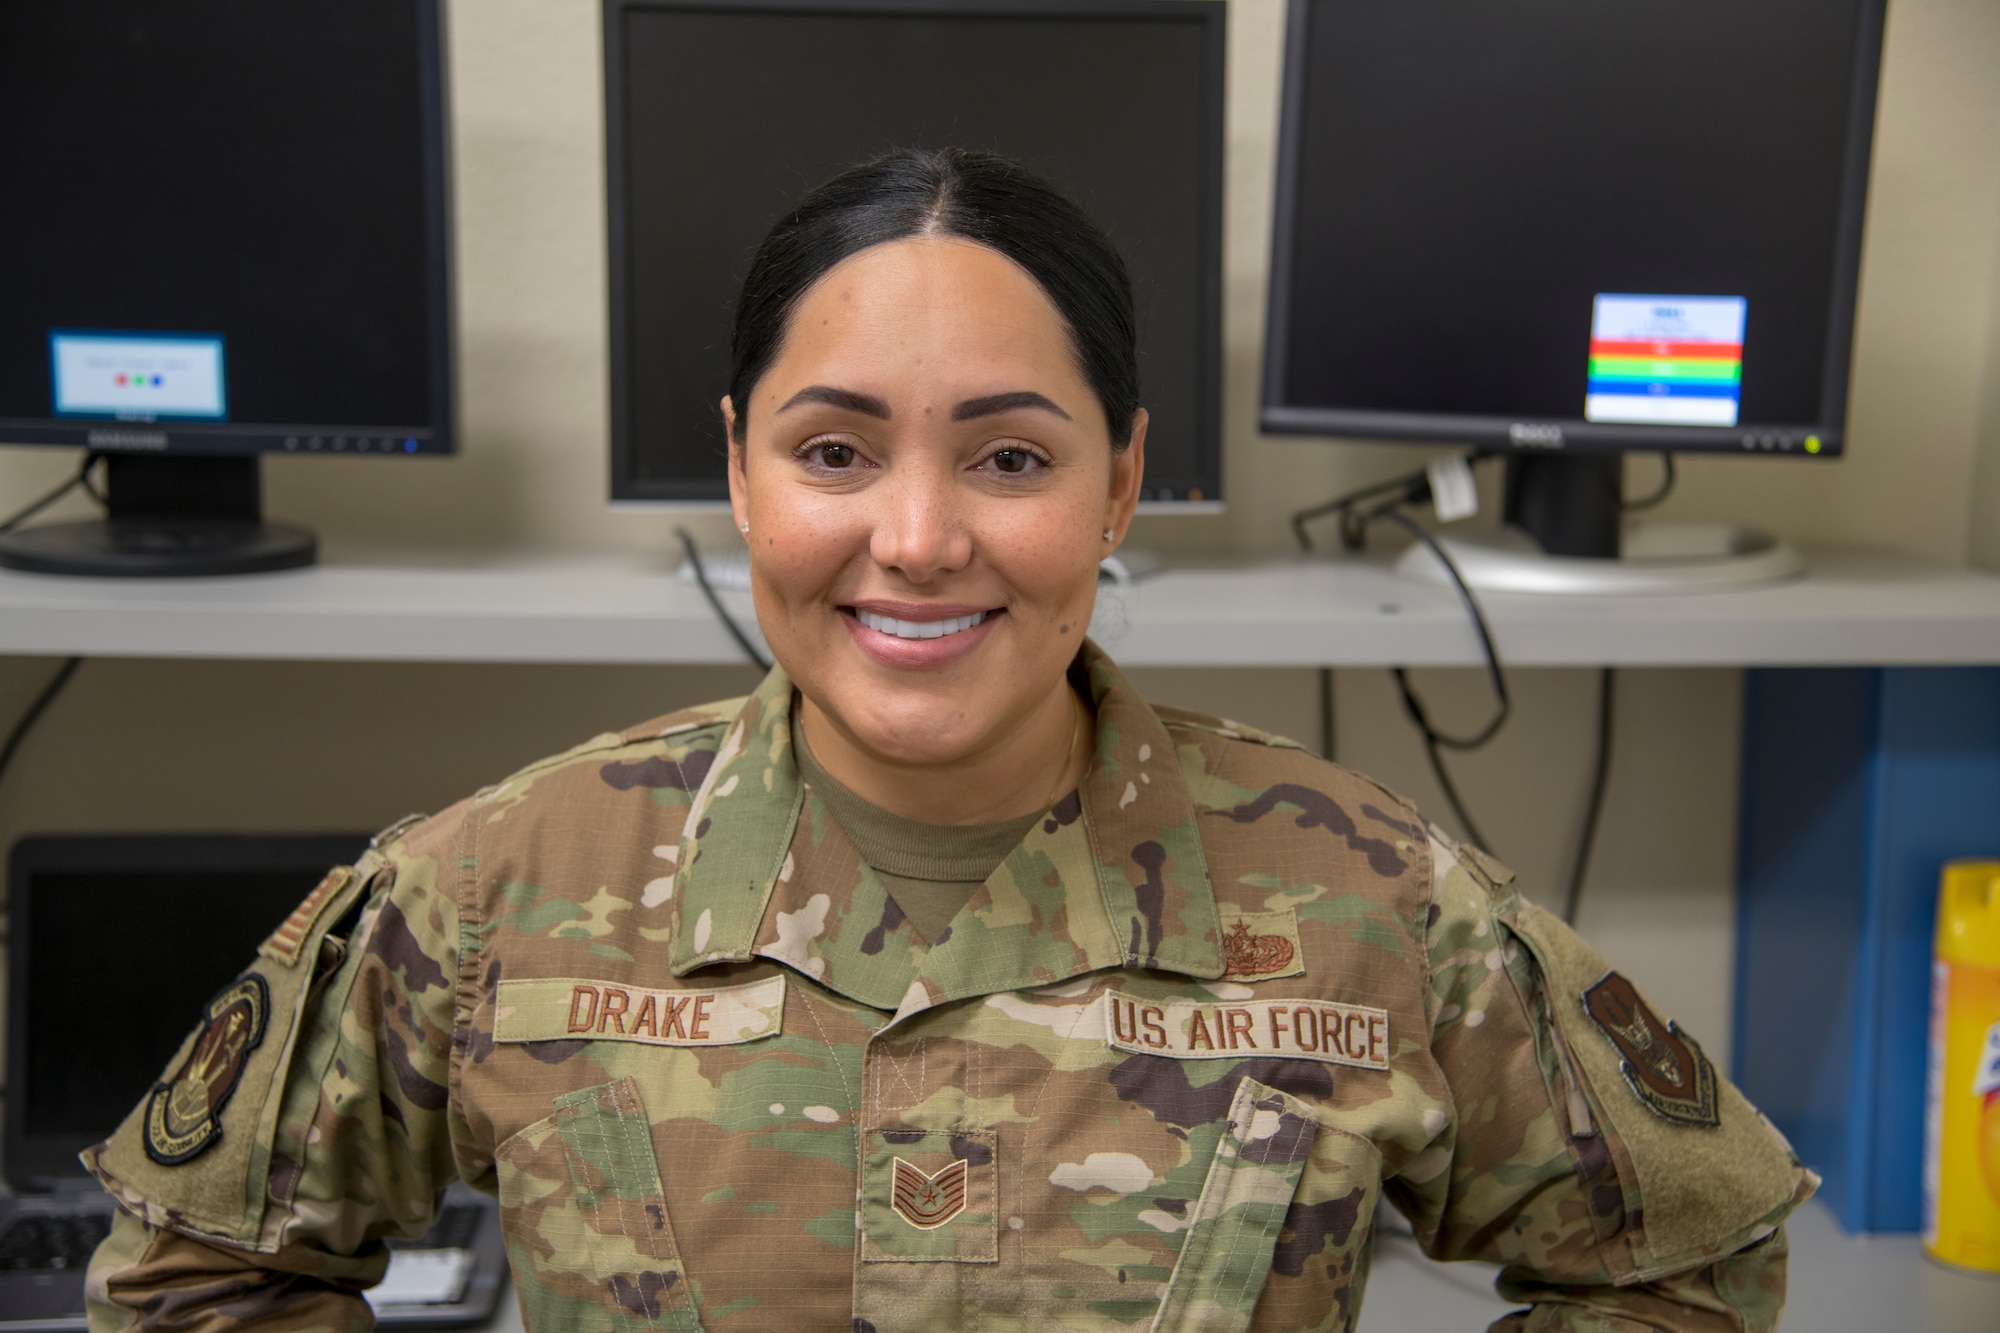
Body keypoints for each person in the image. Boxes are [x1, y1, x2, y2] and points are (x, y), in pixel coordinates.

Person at [84, 149, 1811, 1332]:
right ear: (740, 467)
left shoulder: (1370, 900)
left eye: (1010, 458)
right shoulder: (493, 889)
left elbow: (1689, 1253)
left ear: (1120, 480)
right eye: (834, 453)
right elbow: (192, 1268)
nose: (916, 539)